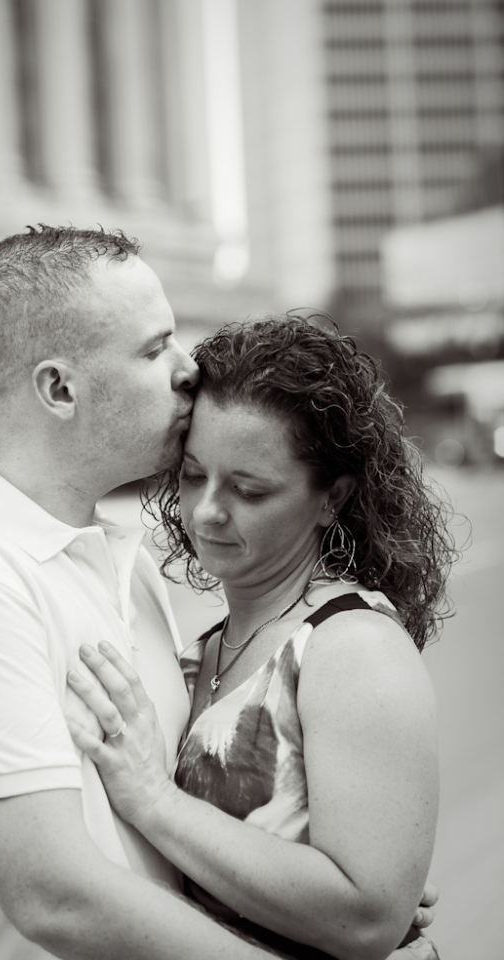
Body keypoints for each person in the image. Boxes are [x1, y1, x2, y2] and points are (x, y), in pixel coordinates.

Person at [0, 226, 436, 960]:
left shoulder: (119, 563)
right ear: (60, 388)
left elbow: (177, 816)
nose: (189, 368)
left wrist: (321, 889)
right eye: (154, 349)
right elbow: (58, 899)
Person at [66, 315, 454, 960]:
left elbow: (367, 920)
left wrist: (155, 800)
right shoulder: (209, 647)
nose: (207, 511)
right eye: (194, 475)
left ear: (333, 498)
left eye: (249, 490)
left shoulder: (352, 647)